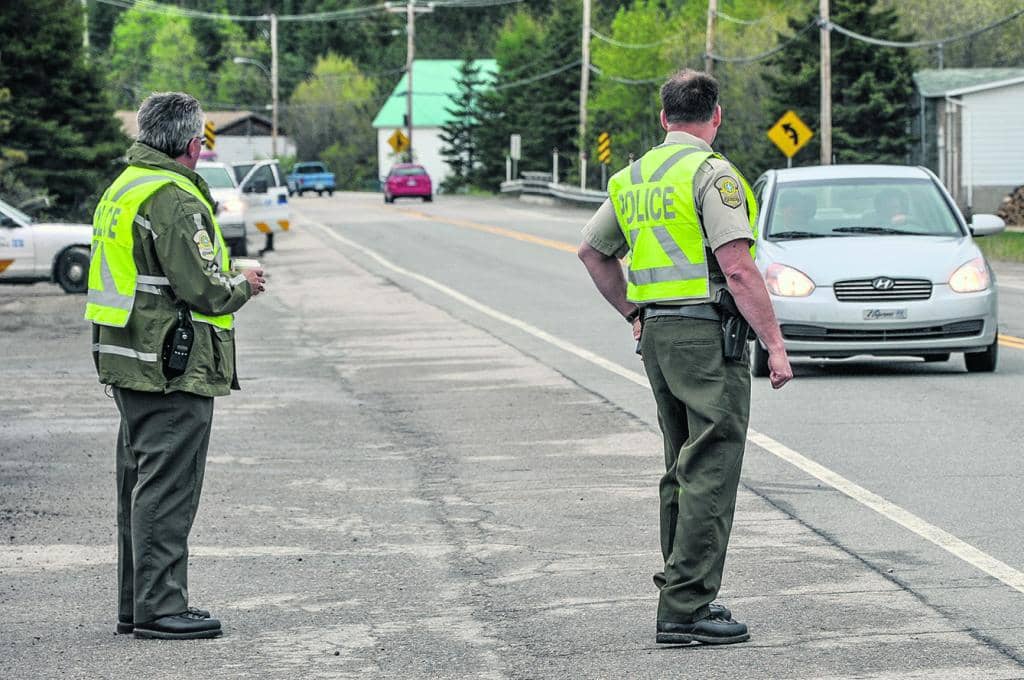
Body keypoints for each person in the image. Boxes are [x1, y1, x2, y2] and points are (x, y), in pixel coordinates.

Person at [577, 70, 793, 646]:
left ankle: (680, 585)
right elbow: (739, 268)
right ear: (715, 116)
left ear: (664, 117)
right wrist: (774, 344)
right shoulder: (711, 174)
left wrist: (633, 313)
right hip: (705, 336)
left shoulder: (633, 177)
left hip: (658, 336)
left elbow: (592, 253)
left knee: (681, 463)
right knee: (712, 464)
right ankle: (687, 607)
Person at [85, 92, 267, 640]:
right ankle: (161, 608)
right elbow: (203, 289)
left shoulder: (125, 186)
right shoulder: (174, 197)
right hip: (171, 364)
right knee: (168, 485)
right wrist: (245, 284)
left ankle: (137, 604)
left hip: (130, 357)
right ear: (194, 144)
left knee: (141, 483)